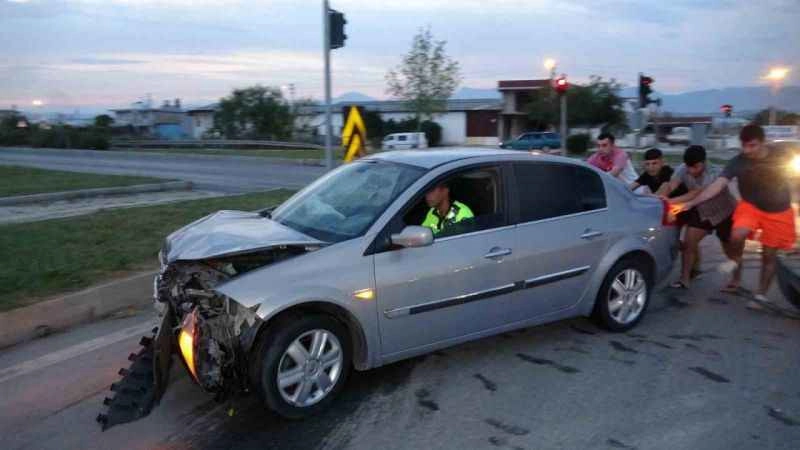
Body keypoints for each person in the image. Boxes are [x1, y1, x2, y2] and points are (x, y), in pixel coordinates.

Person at [678, 124, 796, 309]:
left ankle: (761, 295)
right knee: (737, 235)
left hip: (778, 211)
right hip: (750, 206)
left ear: (763, 143)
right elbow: (717, 185)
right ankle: (734, 261)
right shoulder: (738, 161)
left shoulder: (781, 152)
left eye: (752, 146)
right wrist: (692, 203)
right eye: (744, 146)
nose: (747, 150)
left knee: (769, 255)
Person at [661, 145, 738, 290]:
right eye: (689, 167)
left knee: (730, 249)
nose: (691, 171)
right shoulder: (683, 168)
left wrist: (674, 203)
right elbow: (672, 185)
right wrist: (663, 196)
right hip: (702, 211)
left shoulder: (714, 173)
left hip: (724, 212)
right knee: (689, 242)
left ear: (703, 162)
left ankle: (735, 280)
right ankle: (685, 279)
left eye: (695, 167)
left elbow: (697, 193)